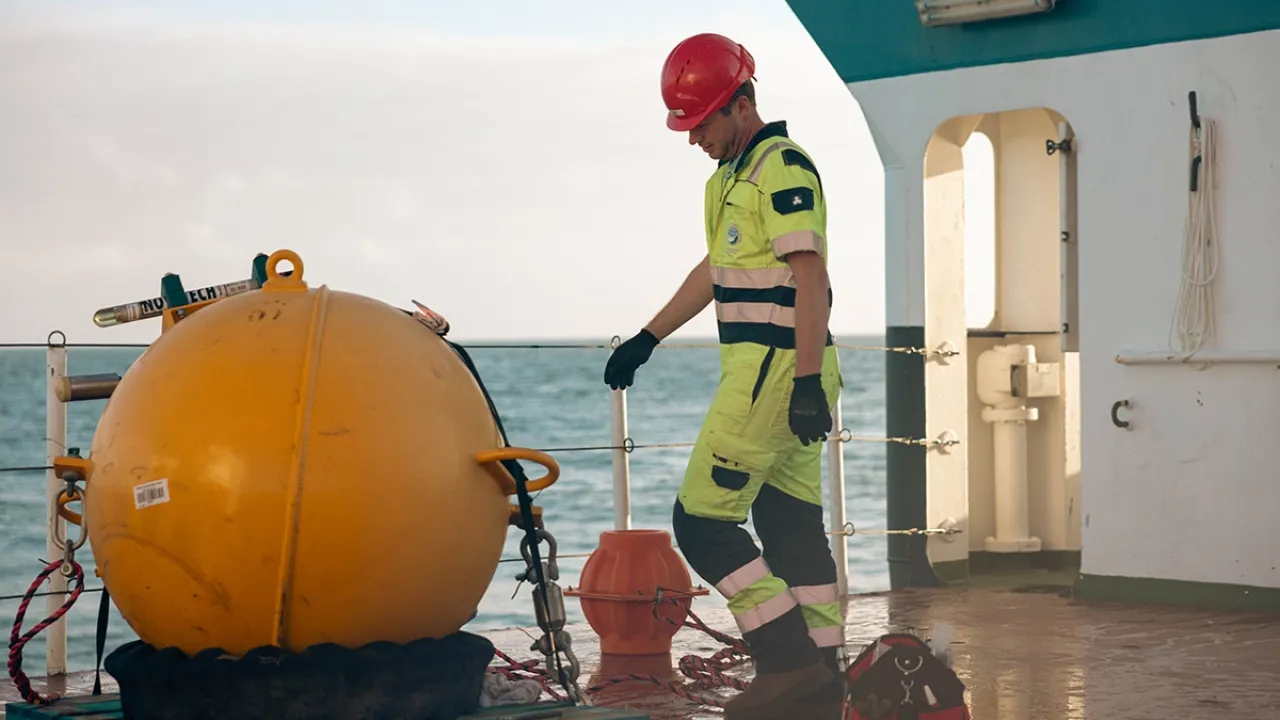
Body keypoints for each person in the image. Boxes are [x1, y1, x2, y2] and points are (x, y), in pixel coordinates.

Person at [602, 32, 845, 720]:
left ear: (741, 104)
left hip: (774, 370)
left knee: (702, 521)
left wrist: (801, 383)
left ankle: (787, 662)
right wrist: (649, 336)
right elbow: (716, 270)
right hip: (774, 368)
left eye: (702, 121)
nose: (693, 138)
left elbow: (810, 277)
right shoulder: (727, 179)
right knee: (790, 525)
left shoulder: (783, 168)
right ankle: (824, 678)